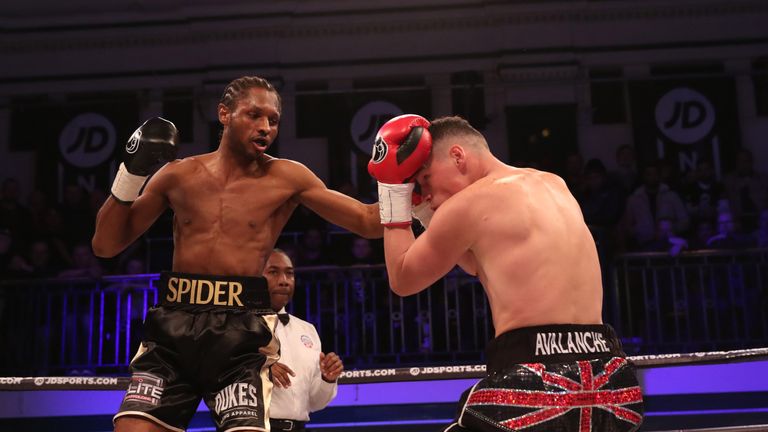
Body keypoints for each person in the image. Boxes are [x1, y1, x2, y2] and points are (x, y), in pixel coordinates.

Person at [92, 76, 382, 432]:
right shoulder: (177, 174)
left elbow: (368, 222)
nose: (265, 127)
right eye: (254, 115)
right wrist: (131, 173)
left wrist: (416, 190)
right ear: (224, 114)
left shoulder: (287, 177)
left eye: (273, 120)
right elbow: (105, 244)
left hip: (240, 332)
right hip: (173, 327)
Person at [368, 115, 644, 431]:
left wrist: (394, 194)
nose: (426, 192)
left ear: (458, 156)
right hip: (612, 381)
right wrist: (426, 213)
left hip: (536, 383)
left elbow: (403, 279)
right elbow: (476, 264)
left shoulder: (470, 203)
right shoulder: (555, 184)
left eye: (426, 178)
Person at [263, 249, 342, 432]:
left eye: (289, 273)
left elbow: (315, 403)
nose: (283, 280)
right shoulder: (239, 325)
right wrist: (260, 369)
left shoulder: (307, 330)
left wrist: (327, 379)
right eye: (273, 272)